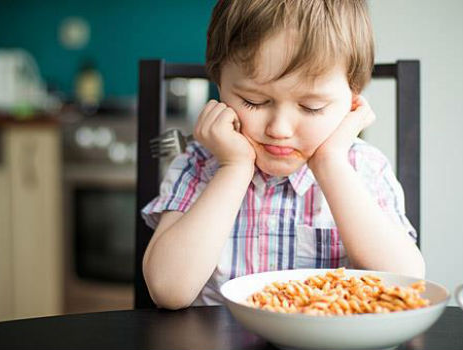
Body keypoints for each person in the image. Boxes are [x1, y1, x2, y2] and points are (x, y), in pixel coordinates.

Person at [141, 0, 425, 309]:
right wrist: (233, 167)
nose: (279, 128)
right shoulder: (198, 165)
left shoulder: (365, 168)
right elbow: (168, 290)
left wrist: (330, 163)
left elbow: (406, 283)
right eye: (253, 100)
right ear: (219, 84)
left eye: (311, 107)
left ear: (353, 101)